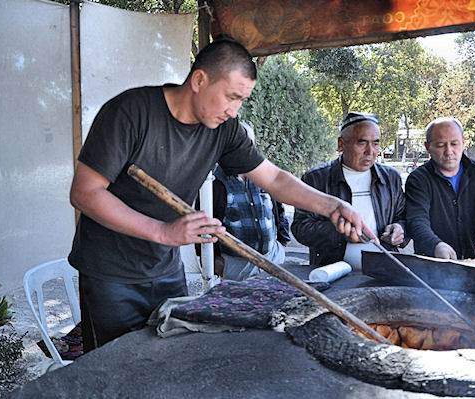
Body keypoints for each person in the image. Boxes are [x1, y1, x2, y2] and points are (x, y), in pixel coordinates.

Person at [68, 37, 374, 352]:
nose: (234, 110)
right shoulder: (131, 112)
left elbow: (275, 179)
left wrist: (332, 205)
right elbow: (85, 193)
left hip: (165, 268)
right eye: (231, 96)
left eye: (242, 100)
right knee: (116, 368)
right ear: (199, 80)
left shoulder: (224, 129)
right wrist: (162, 230)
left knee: (169, 357)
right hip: (110, 272)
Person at [292, 112, 406, 269]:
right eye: (362, 143)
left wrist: (400, 229)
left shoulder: (390, 178)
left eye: (376, 143)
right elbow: (301, 228)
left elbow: (403, 217)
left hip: (384, 271)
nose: (370, 151)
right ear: (341, 144)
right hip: (331, 271)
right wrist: (340, 232)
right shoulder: (317, 179)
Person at [405, 117, 475, 266]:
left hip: (474, 261)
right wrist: (436, 245)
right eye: (440, 145)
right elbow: (417, 221)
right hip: (432, 264)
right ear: (428, 147)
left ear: (463, 143)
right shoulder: (418, 179)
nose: (449, 151)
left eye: (454, 144)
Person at [212, 122, 291, 280]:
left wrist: (282, 242)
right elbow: (203, 225)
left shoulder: (265, 175)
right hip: (236, 265)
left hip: (273, 258)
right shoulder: (214, 181)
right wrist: (213, 260)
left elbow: (279, 209)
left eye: (248, 145)